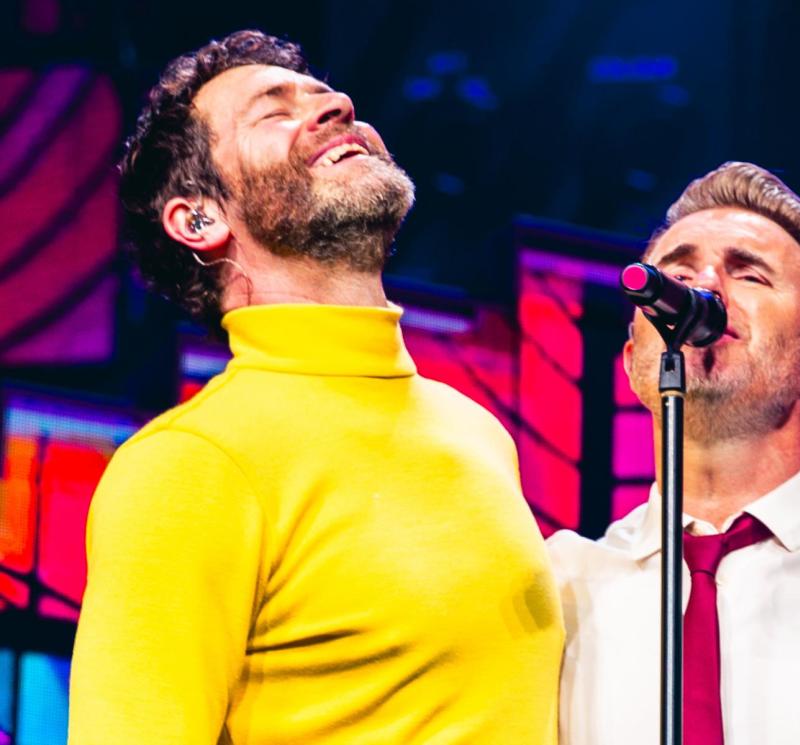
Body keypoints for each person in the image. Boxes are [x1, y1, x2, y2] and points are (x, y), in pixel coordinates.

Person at [68, 30, 562, 744]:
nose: (338, 105)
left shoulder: (474, 428)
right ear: (200, 217)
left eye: (325, 95)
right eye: (274, 110)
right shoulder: (191, 465)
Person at [548, 162, 800, 745]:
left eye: (749, 275)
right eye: (678, 273)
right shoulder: (561, 584)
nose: (705, 291)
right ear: (632, 362)